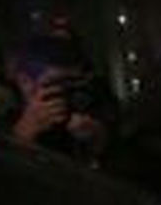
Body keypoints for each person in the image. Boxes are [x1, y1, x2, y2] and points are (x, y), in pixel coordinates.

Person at [9, 34, 114, 168]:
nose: (69, 91)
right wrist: (24, 135)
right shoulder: (1, 128)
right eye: (58, 82)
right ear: (25, 82)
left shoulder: (95, 113)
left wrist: (99, 146)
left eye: (76, 83)